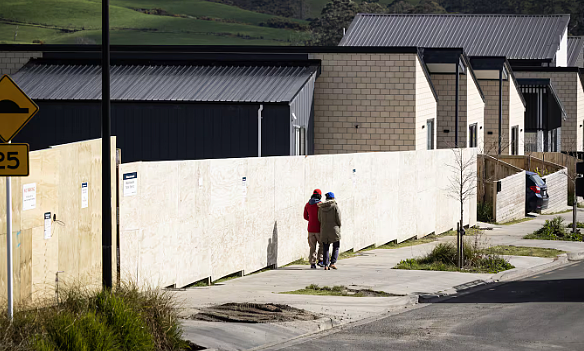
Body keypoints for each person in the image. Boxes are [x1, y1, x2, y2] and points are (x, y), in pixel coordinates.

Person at [318, 192, 341, 270]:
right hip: (334, 229)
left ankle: (325, 265)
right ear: (333, 198)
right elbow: (338, 218)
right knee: (336, 246)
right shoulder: (335, 206)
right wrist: (339, 226)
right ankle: (333, 263)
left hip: (324, 229)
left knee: (325, 247)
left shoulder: (321, 207)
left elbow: (319, 218)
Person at [304, 189, 324, 269]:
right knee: (322, 245)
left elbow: (305, 216)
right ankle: (320, 260)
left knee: (312, 247)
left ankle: (312, 263)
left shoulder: (307, 204)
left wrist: (311, 220)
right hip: (319, 229)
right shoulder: (321, 205)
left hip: (310, 229)